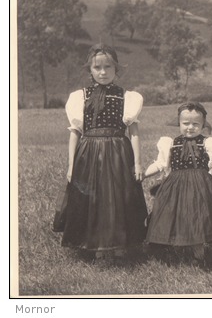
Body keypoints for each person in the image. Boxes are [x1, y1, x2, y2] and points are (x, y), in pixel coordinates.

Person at [52, 43, 148, 264]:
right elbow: (75, 132)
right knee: (94, 197)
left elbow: (133, 132)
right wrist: (70, 165)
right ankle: (98, 246)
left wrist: (139, 162)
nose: (103, 72)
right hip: (89, 152)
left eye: (108, 67)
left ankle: (120, 244)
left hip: (118, 151)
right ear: (90, 70)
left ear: (116, 69)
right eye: (97, 67)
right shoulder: (79, 97)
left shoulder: (127, 97)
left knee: (118, 196)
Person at [144, 102, 212, 272]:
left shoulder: (207, 143)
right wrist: (142, 174)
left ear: (203, 125)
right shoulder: (171, 143)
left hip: (201, 186)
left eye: (196, 124)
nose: (190, 127)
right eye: (186, 123)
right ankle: (197, 254)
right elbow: (159, 164)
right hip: (176, 186)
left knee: (208, 218)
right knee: (187, 218)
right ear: (179, 123)